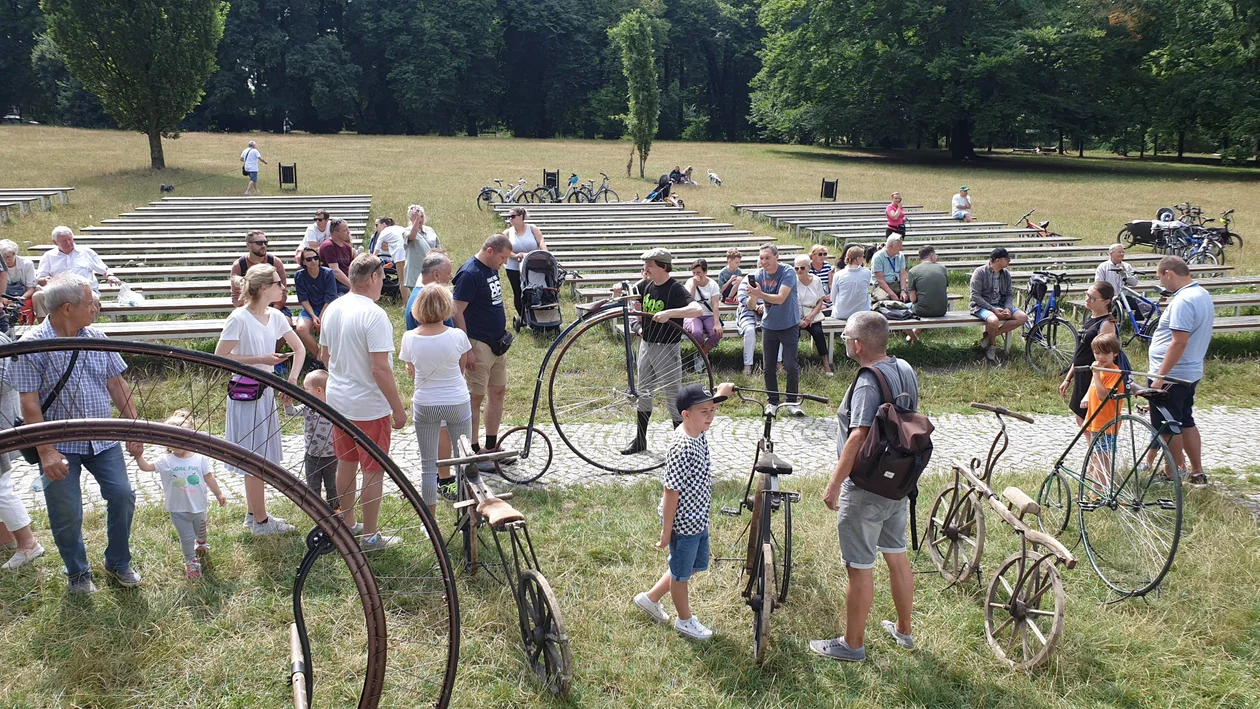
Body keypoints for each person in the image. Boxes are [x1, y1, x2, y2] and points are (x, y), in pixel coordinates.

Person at [5, 274, 144, 594]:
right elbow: (29, 403)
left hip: (104, 439)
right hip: (59, 444)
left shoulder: (97, 335)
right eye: (89, 302)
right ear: (67, 308)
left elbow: (116, 384)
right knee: (66, 511)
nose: (96, 307)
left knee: (123, 495)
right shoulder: (30, 346)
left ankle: (119, 562)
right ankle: (78, 573)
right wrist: (47, 452)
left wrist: (133, 427)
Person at [813, 311, 917, 662]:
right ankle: (904, 630)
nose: (844, 343)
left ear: (858, 344)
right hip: (898, 480)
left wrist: (833, 485)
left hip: (867, 484)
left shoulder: (867, 380)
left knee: (859, 566)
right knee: (897, 555)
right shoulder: (904, 368)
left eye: (844, 338)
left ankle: (852, 644)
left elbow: (857, 435)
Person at [633, 382, 736, 640]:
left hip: (698, 518)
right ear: (685, 415)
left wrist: (720, 394)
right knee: (681, 575)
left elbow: (707, 405)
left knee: (685, 567)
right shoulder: (682, 447)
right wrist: (667, 531)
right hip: (683, 523)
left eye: (712, 410)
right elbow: (671, 493)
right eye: (705, 412)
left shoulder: (697, 428)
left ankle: (650, 599)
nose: (710, 416)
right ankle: (684, 621)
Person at [320, 254, 409, 550]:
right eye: (382, 277)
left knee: (346, 462)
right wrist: (397, 407)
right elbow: (380, 368)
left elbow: (323, 356)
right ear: (372, 278)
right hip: (368, 405)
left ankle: (348, 523)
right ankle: (370, 536)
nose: (384, 283)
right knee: (373, 469)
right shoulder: (374, 314)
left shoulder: (334, 307)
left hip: (338, 400)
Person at [215, 264, 304, 536]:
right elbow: (220, 357)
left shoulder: (275, 316)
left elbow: (299, 349)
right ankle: (262, 522)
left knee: (261, 455)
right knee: (254, 458)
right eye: (279, 282)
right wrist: (261, 360)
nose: (283, 287)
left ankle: (254, 515)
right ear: (264, 288)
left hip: (266, 393)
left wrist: (291, 382)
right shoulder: (239, 318)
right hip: (246, 394)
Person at [611, 248, 704, 454]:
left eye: (650, 265)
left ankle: (681, 447)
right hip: (647, 346)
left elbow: (697, 309)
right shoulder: (646, 285)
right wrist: (620, 290)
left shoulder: (675, 289)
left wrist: (670, 313)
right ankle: (640, 441)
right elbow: (629, 294)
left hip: (667, 349)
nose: (646, 269)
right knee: (643, 393)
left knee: (673, 398)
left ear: (663, 266)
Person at [399, 286, 473, 515]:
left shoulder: (409, 337)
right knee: (464, 462)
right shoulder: (458, 335)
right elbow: (461, 369)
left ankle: (429, 522)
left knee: (428, 466)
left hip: (426, 402)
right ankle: (467, 514)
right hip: (457, 400)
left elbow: (411, 369)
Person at [132, 410, 226, 580]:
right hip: (178, 510)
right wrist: (139, 456)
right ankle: (190, 562)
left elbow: (209, 477)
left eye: (179, 438)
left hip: (199, 507)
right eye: (169, 439)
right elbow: (146, 467)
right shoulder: (166, 461)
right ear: (165, 441)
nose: (174, 442)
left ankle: (202, 543)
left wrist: (219, 494)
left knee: (201, 532)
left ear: (190, 437)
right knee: (187, 538)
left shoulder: (200, 459)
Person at [1147, 255, 1214, 486]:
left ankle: (1176, 471)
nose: (1162, 283)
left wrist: (1159, 377)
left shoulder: (1184, 300)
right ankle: (1197, 471)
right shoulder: (1202, 294)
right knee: (1185, 420)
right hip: (1190, 372)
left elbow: (1179, 342)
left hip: (1172, 375)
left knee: (1167, 425)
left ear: (1169, 273)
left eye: (1160, 277)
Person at [403, 251, 458, 493]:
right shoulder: (426, 298)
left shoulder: (420, 297)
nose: (451, 277)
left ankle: (436, 479)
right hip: (441, 386)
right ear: (436, 274)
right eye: (448, 273)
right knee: (443, 433)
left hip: (426, 388)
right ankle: (444, 478)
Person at [0, 329, 44, 571]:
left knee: (0, 487)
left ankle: (28, 544)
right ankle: (5, 539)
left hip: (1, 424)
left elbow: (3, 382)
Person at [748, 244, 801, 414]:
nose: (764, 262)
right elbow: (751, 305)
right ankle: (772, 402)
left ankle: (792, 402)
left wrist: (760, 294)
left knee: (791, 365)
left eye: (767, 258)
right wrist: (753, 295)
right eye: (761, 258)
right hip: (769, 326)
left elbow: (780, 298)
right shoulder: (758, 275)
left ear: (777, 257)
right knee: (768, 366)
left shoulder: (788, 272)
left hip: (789, 324)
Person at [1059, 282, 1120, 424]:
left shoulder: (1106, 324)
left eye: (1092, 298)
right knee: (1081, 418)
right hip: (1082, 373)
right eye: (1087, 295)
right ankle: (1091, 446)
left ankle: (1095, 446)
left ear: (1106, 302)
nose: (1087, 299)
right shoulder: (1091, 320)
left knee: (1089, 420)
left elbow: (1104, 358)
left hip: (1093, 374)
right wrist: (1068, 378)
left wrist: (1091, 388)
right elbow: (1081, 350)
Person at [969, 247, 1028, 362]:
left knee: (1023, 317)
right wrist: (992, 309)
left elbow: (1009, 294)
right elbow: (975, 296)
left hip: (1001, 304)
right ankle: (992, 345)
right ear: (998, 260)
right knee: (994, 320)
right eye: (1007, 259)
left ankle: (991, 335)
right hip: (981, 306)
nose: (1009, 261)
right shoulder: (980, 272)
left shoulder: (1006, 274)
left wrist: (1007, 308)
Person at [1082, 333, 1125, 487]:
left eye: (1105, 353)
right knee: (1096, 456)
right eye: (1097, 352)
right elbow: (1092, 390)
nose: (1100, 356)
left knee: (1103, 459)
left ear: (1115, 354)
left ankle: (1096, 493)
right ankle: (1095, 488)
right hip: (1095, 421)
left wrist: (1097, 375)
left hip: (1107, 424)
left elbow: (1102, 396)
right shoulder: (1100, 369)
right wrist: (1087, 415)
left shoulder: (1114, 372)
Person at [298, 370, 338, 511]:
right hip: (311, 455)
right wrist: (288, 404)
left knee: (332, 484)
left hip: (332, 455)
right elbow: (291, 412)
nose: (304, 392)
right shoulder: (307, 407)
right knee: (313, 485)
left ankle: (335, 508)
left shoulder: (334, 408)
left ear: (318, 390)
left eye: (306, 389)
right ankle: (316, 509)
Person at [36, 226, 119, 292]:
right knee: (38, 296)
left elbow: (104, 270)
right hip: (60, 293)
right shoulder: (48, 256)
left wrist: (110, 276)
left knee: (90, 300)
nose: (68, 243)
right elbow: (40, 278)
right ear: (55, 242)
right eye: (64, 241)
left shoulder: (86, 252)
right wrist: (45, 280)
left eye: (70, 239)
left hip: (85, 291)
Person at [294, 246, 339, 363]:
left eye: (315, 258)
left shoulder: (328, 273)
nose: (313, 261)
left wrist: (321, 317)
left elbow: (330, 296)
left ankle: (323, 359)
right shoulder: (299, 275)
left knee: (328, 327)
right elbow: (303, 298)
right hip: (311, 309)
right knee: (301, 329)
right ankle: (320, 358)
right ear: (303, 262)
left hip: (328, 308)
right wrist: (314, 316)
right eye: (309, 259)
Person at [503, 207, 548, 320]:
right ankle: (524, 317)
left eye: (513, 216)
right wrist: (515, 255)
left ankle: (540, 314)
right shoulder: (508, 233)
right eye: (509, 217)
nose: (510, 219)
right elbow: (504, 249)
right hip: (514, 266)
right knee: (518, 291)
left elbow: (541, 241)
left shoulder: (532, 228)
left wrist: (545, 254)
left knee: (535, 289)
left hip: (533, 265)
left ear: (521, 217)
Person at [794, 254, 833, 376]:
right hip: (796, 314)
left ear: (809, 268)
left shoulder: (816, 280)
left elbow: (820, 301)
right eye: (796, 268)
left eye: (802, 268)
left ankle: (826, 364)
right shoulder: (792, 281)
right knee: (793, 334)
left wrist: (811, 316)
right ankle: (792, 363)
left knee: (818, 333)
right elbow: (791, 303)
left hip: (813, 312)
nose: (799, 271)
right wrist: (799, 320)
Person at [230, 230, 287, 310]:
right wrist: (253, 313)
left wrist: (273, 312)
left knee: (286, 320)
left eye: (265, 242)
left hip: (273, 307)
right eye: (259, 243)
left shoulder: (275, 262)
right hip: (248, 308)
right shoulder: (239, 265)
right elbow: (236, 296)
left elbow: (283, 291)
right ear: (248, 245)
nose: (263, 245)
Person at [905, 245, 950, 342]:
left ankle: (911, 336)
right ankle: (912, 336)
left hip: (923, 311)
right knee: (926, 302)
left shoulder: (913, 271)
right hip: (942, 310)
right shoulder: (943, 269)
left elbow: (913, 299)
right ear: (932, 255)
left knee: (904, 309)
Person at [683, 259, 722, 363]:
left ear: (705, 272)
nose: (696, 275)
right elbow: (688, 301)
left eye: (699, 273)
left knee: (717, 333)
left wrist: (717, 323)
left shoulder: (713, 284)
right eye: (694, 273)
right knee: (696, 332)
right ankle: (703, 356)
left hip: (708, 314)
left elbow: (715, 305)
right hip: (693, 314)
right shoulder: (690, 282)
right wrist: (694, 286)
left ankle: (701, 354)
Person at [403, 204, 440, 297]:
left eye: (422, 216)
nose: (420, 219)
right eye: (416, 217)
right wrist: (416, 222)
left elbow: (438, 247)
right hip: (415, 272)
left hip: (431, 270)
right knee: (419, 299)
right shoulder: (406, 231)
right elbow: (412, 236)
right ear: (410, 218)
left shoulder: (430, 230)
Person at [829, 245, 873, 322]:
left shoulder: (838, 274)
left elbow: (833, 297)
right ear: (858, 259)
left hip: (841, 313)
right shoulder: (867, 272)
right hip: (862, 313)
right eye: (863, 256)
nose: (864, 258)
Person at [368, 216, 407, 297]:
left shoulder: (384, 233)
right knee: (405, 280)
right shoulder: (399, 229)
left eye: (377, 225)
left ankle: (405, 304)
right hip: (406, 255)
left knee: (402, 281)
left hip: (398, 257)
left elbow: (374, 253)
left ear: (384, 225)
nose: (376, 228)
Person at [1, 239, 38, 324]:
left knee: (26, 305)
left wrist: (20, 298)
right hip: (3, 296)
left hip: (23, 296)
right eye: (3, 258)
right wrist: (4, 299)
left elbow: (31, 288)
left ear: (15, 254)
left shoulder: (27, 264)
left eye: (8, 257)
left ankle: (25, 327)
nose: (6, 260)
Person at [1095, 244, 1140, 312]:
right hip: (1108, 298)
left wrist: (1124, 272)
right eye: (1119, 252)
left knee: (1144, 306)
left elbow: (1134, 283)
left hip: (1124, 298)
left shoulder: (1127, 266)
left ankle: (1137, 322)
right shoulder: (1103, 267)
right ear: (1111, 254)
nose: (1122, 254)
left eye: (1123, 252)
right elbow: (1098, 284)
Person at [320, 218, 357, 294]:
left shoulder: (347, 247)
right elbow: (335, 271)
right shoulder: (328, 246)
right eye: (344, 230)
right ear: (336, 233)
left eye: (348, 229)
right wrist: (353, 287)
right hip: (333, 284)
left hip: (346, 282)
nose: (348, 232)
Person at [734, 276, 762, 377]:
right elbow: (742, 298)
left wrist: (766, 306)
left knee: (777, 328)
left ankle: (778, 362)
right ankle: (748, 365)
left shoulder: (775, 278)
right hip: (748, 313)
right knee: (750, 330)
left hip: (770, 312)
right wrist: (756, 307)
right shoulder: (748, 280)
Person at [871, 235, 909, 302]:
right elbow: (880, 280)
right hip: (882, 286)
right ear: (891, 246)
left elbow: (902, 274)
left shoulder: (901, 255)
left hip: (897, 283)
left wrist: (903, 290)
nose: (901, 247)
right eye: (899, 245)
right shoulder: (878, 257)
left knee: (914, 295)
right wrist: (892, 294)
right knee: (884, 300)